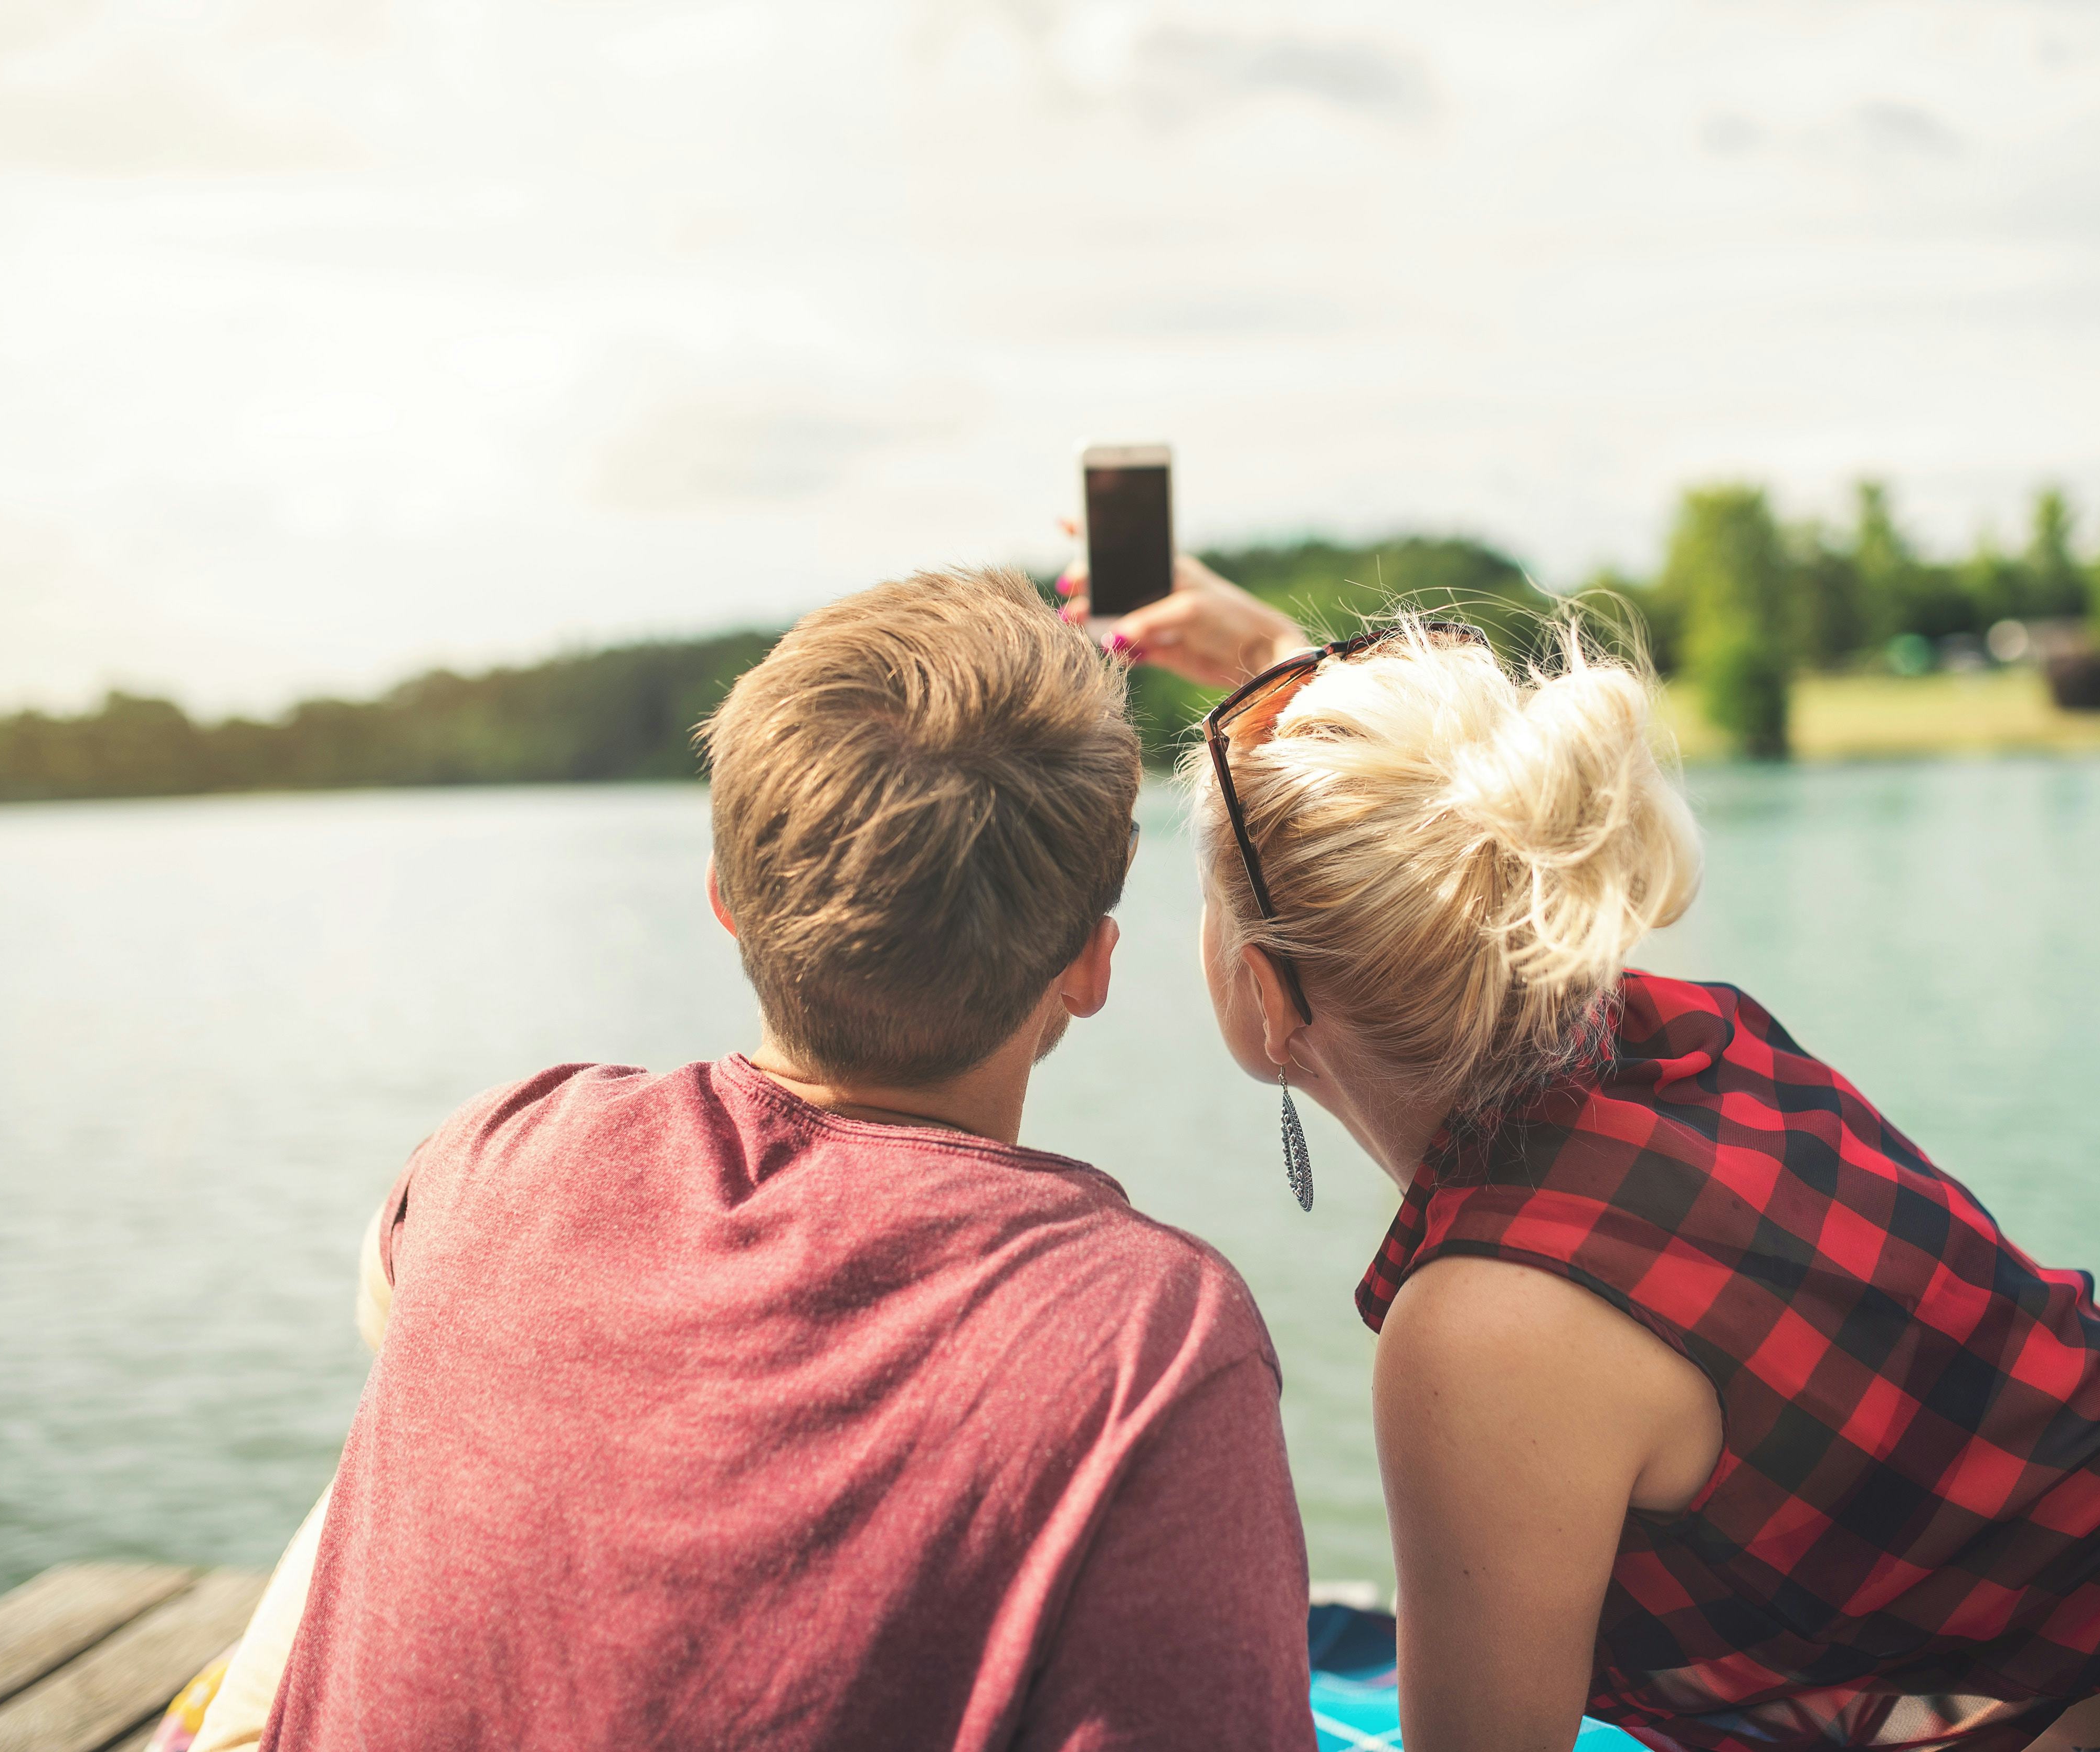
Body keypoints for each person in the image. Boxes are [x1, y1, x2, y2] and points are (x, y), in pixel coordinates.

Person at [1099, 558, 2100, 1752]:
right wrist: (1277, 657)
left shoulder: (1482, 1323)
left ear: (1270, 998)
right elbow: (1446, 850)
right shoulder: (1678, 1042)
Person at [195, 567, 1314, 1751]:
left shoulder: (499, 1147)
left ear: (727, 903)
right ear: (1092, 965)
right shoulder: (1149, 1342)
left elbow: (395, 1315)